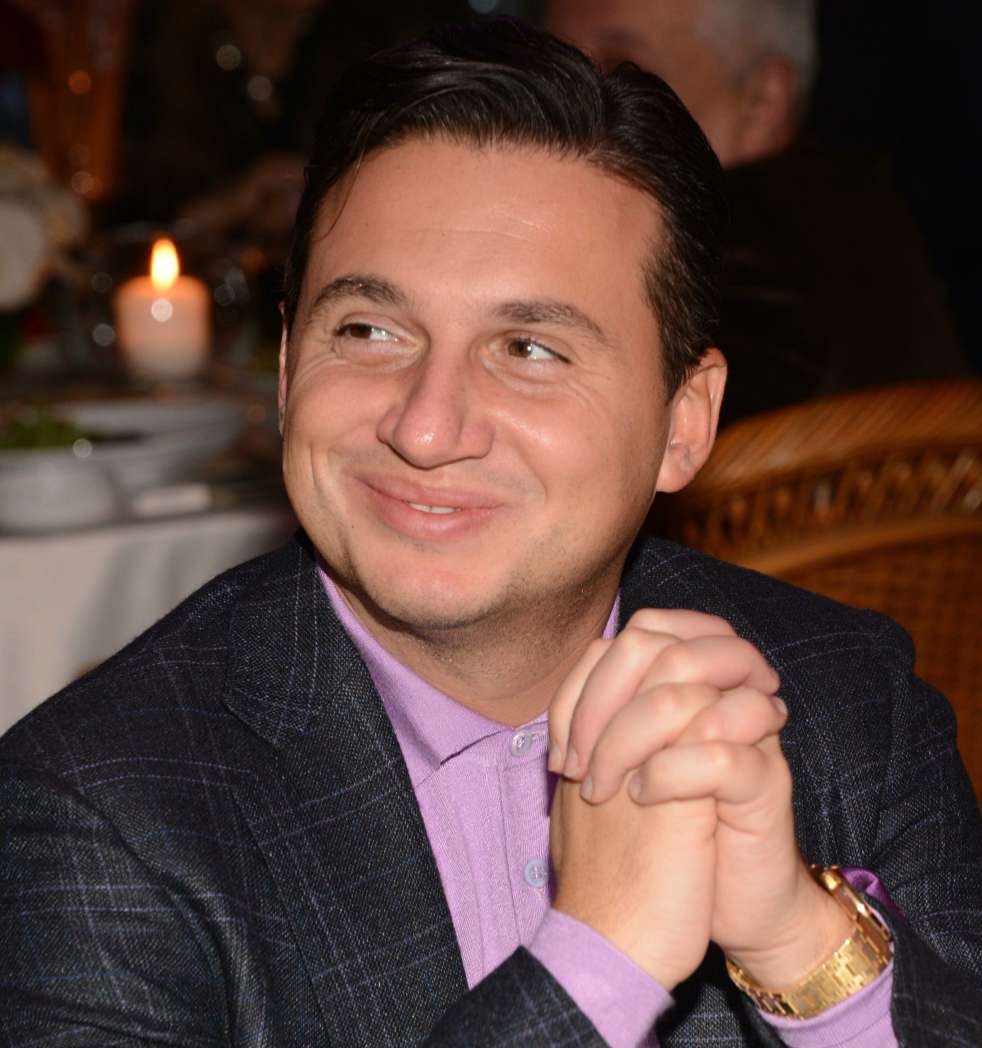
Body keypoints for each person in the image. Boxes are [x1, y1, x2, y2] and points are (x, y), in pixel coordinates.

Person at [2, 19, 981, 1047]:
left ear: (684, 422)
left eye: (528, 348)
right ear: (288, 369)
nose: (425, 428)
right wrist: (598, 966)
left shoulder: (845, 704)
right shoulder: (100, 812)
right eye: (369, 331)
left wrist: (797, 941)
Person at [546, 0, 969, 426]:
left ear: (761, 103)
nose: (560, 101)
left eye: (623, 71)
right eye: (551, 66)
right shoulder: (859, 225)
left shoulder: (747, 254)